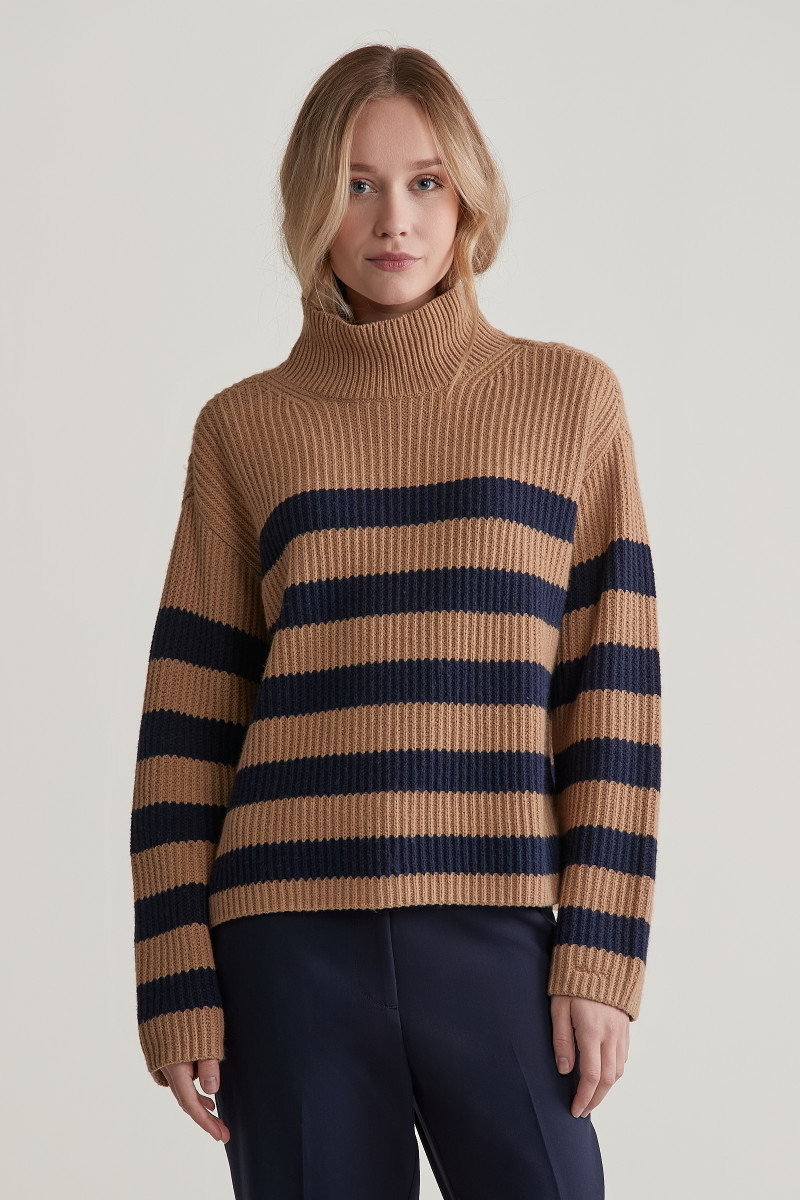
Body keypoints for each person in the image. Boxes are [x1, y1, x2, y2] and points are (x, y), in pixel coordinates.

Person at [130, 43, 661, 1200]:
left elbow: (611, 696)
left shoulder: (569, 400)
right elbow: (188, 723)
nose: (393, 219)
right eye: (355, 184)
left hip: (498, 938)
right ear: (310, 204)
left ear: (467, 193)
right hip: (285, 949)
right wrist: (176, 977)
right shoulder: (244, 428)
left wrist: (601, 951)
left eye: (423, 181)